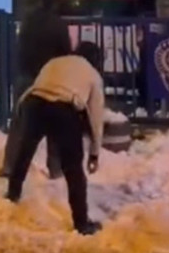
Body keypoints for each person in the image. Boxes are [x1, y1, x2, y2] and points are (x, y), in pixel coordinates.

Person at [6, 41, 105, 236]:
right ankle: (81, 223)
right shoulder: (92, 74)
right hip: (63, 108)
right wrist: (94, 153)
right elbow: (96, 118)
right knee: (73, 168)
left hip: (33, 104)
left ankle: (12, 194)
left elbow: (35, 88)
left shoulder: (54, 62)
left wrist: (20, 119)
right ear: (95, 60)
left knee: (25, 151)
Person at [0, 0, 71, 179]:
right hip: (51, 78)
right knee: (55, 124)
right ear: (54, 3)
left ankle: (9, 165)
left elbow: (20, 49)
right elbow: (65, 53)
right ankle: (55, 168)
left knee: (19, 123)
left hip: (26, 78)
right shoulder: (59, 25)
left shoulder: (28, 22)